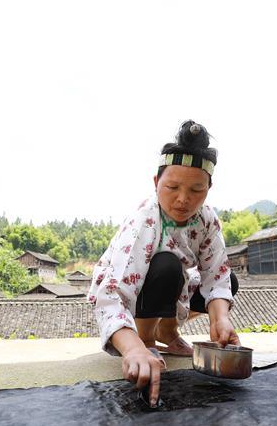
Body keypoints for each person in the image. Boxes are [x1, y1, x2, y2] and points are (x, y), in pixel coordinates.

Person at [88, 120, 240, 407]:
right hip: (135, 297)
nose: (183, 199)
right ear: (156, 183)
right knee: (167, 265)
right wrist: (131, 349)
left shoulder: (207, 219)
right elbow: (109, 294)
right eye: (172, 187)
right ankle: (145, 340)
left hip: (174, 292)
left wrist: (221, 319)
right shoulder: (145, 220)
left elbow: (216, 274)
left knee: (229, 282)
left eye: (196, 189)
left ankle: (167, 332)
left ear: (209, 188)